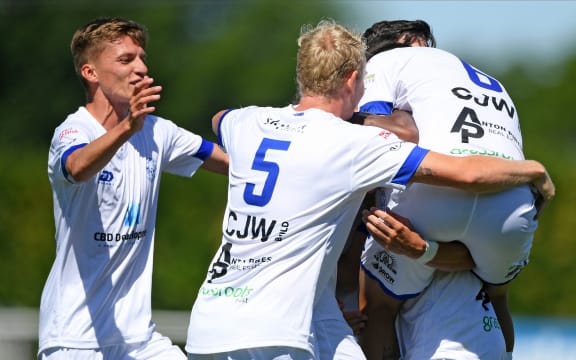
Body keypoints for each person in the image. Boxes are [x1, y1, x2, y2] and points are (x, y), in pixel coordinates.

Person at [184, 19, 553, 360]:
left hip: (217, 317)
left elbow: (220, 119)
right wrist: (532, 169)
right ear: (352, 79)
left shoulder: (246, 122)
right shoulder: (355, 143)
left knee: (367, 315)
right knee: (482, 288)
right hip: (280, 324)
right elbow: (461, 170)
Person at [356, 19, 548, 359]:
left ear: (411, 42)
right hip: (510, 204)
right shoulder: (496, 83)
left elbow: (377, 135)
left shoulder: (384, 60)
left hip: (435, 192)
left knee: (378, 308)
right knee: (497, 297)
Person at [39, 17, 228, 360]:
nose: (141, 68)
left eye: (142, 57)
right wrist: (128, 127)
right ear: (90, 73)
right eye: (126, 60)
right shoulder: (72, 131)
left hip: (138, 341)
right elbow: (78, 167)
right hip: (74, 340)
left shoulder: (157, 131)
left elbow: (232, 164)